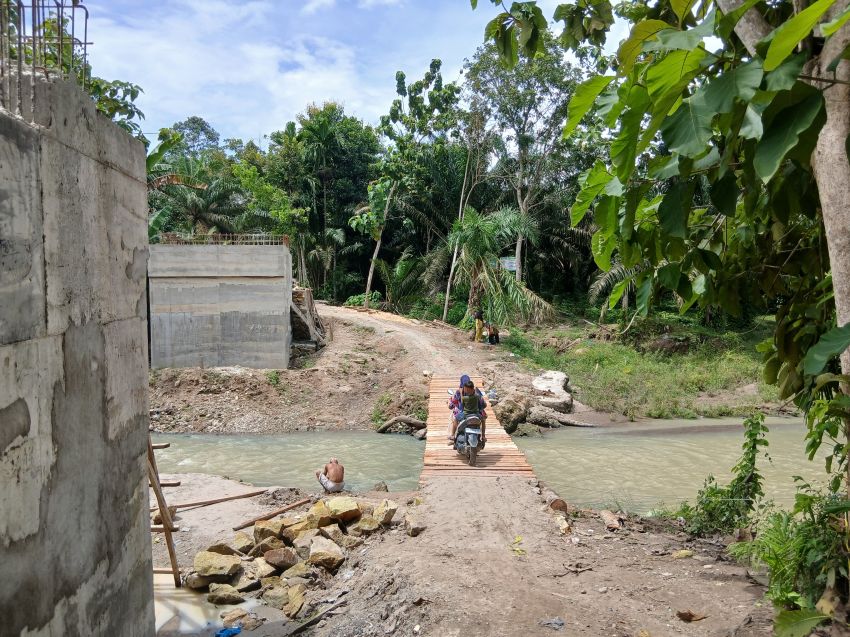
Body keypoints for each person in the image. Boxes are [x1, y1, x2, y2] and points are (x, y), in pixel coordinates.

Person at [447, 374, 487, 445]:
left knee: (455, 418)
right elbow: (484, 404)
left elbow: (452, 405)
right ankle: (483, 436)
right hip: (477, 413)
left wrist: (449, 402)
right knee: (483, 420)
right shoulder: (477, 393)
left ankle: (453, 436)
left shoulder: (459, 393)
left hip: (464, 414)